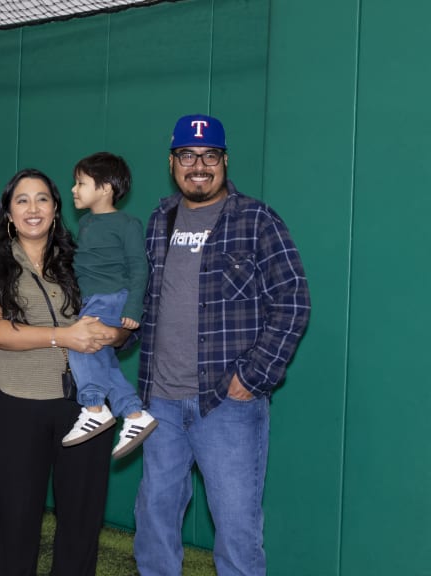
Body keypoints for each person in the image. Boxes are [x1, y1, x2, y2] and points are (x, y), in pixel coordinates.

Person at [133, 115, 310, 576]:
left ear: (224, 161)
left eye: (210, 156)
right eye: (188, 156)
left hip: (226, 404)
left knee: (237, 532)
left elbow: (293, 300)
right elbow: (145, 300)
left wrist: (253, 376)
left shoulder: (256, 218)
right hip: (161, 404)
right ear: (172, 162)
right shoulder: (159, 220)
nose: (199, 166)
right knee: (154, 522)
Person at [0, 168, 126, 576]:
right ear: (8, 213)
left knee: (81, 524)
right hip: (17, 405)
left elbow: (122, 324)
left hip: (87, 408)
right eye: (22, 200)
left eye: (42, 199)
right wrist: (64, 336)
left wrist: (115, 333)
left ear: (56, 210)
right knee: (18, 524)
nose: (32, 208)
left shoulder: (84, 260)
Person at [62, 152, 155, 458]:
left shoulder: (127, 224)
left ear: (104, 188)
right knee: (105, 363)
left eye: (81, 183)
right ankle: (134, 414)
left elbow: (140, 269)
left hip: (111, 299)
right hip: (92, 300)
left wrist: (132, 310)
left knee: (79, 345)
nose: (74, 189)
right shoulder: (87, 222)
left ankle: (93, 406)